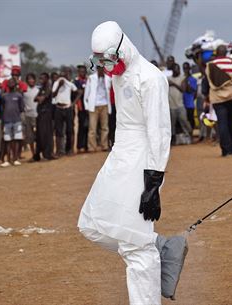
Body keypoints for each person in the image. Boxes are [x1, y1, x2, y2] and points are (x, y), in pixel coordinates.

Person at [78, 21, 187, 305]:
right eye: (100, 62)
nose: (105, 66)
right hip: (120, 154)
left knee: (135, 246)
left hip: (143, 160)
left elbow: (160, 133)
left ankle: (146, 261)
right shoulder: (118, 73)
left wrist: (153, 182)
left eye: (108, 59)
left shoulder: (150, 78)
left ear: (122, 48)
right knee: (91, 223)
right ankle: (154, 246)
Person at [205, 45, 232, 156]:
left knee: (222, 124)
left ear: (217, 53)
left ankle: (226, 151)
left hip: (218, 98)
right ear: (226, 53)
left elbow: (207, 81)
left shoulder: (210, 65)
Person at [84, 66, 111, 152]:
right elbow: (86, 93)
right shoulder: (91, 78)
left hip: (105, 105)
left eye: (102, 68)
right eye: (99, 68)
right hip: (93, 106)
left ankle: (104, 145)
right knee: (92, 128)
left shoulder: (108, 79)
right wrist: (86, 106)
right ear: (97, 69)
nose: (101, 70)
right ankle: (92, 146)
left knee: (105, 127)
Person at [52, 68, 78, 156]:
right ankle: (59, 151)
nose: (64, 76)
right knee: (58, 131)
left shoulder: (70, 84)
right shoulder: (56, 83)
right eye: (62, 74)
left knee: (69, 130)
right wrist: (59, 85)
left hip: (68, 108)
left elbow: (79, 92)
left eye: (66, 74)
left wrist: (73, 103)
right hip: (58, 108)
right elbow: (53, 95)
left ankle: (69, 150)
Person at [0, 78, 24, 167]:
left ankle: (15, 158)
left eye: (12, 82)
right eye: (9, 82)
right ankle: (8, 160)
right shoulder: (4, 96)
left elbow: (21, 108)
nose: (11, 84)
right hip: (7, 121)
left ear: (15, 84)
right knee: (7, 140)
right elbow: (2, 107)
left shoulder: (19, 95)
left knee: (17, 139)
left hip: (17, 120)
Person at [168, 63, 193, 144]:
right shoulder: (168, 79)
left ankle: (190, 136)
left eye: (178, 69)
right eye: (176, 69)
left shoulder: (182, 78)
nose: (177, 70)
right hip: (171, 105)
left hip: (180, 105)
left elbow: (183, 89)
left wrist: (174, 84)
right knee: (172, 124)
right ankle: (173, 140)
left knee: (185, 121)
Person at [33, 73, 54, 161]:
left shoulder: (48, 88)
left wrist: (40, 98)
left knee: (46, 134)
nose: (41, 80)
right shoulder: (41, 88)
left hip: (46, 114)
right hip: (41, 114)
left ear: (47, 79)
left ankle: (47, 154)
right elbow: (35, 99)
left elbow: (41, 100)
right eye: (40, 78)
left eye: (43, 78)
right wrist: (39, 98)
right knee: (40, 134)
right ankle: (38, 154)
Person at [23, 73, 39, 159]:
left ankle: (38, 153)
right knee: (30, 136)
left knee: (38, 136)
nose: (31, 80)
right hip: (28, 116)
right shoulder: (24, 91)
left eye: (32, 79)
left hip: (37, 116)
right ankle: (33, 154)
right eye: (29, 79)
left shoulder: (38, 90)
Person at [73, 65, 89, 153]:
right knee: (82, 126)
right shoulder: (76, 81)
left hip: (89, 107)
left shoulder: (89, 80)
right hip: (81, 107)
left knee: (88, 126)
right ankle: (80, 146)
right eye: (80, 71)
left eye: (83, 71)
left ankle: (87, 145)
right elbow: (76, 92)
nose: (82, 73)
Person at [182, 62, 198, 130]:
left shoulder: (193, 79)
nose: (185, 70)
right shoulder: (182, 78)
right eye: (184, 68)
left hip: (190, 104)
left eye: (187, 68)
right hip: (182, 103)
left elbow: (194, 91)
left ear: (189, 69)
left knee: (191, 119)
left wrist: (187, 84)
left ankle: (192, 133)